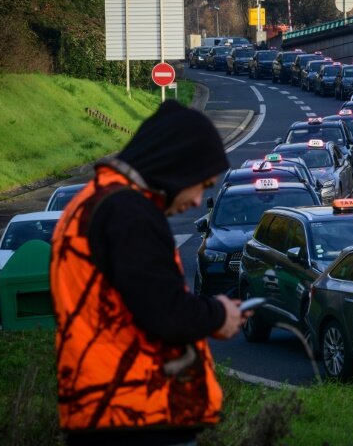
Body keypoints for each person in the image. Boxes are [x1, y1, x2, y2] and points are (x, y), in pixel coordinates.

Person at [50, 99, 242, 446]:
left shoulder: (95, 202)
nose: (199, 200)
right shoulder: (129, 213)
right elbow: (164, 310)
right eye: (202, 184)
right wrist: (218, 315)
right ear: (179, 167)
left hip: (105, 407)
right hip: (136, 413)